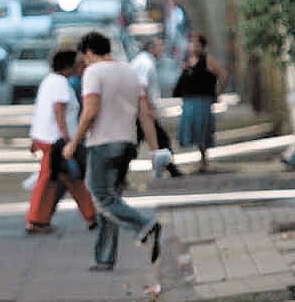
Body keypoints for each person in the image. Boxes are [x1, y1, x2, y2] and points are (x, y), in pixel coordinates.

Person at [63, 31, 163, 271]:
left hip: (102, 143)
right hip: (128, 143)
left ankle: (144, 225)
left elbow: (90, 111)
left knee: (100, 195)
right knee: (111, 199)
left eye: (83, 58)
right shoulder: (129, 71)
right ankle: (105, 257)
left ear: (88, 52)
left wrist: (74, 142)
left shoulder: (93, 73)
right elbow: (145, 114)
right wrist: (154, 149)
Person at [25, 49, 97, 234]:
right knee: (51, 181)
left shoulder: (50, 81)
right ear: (69, 66)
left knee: (70, 179)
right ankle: (35, 220)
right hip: (56, 141)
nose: (81, 66)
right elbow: (58, 111)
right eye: (78, 63)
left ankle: (90, 216)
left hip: (49, 138)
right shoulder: (60, 84)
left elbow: (42, 111)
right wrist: (67, 140)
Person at [173, 33, 228, 173]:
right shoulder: (188, 60)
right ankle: (200, 159)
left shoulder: (208, 60)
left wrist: (218, 92)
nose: (193, 46)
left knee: (203, 130)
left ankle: (204, 161)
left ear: (202, 46)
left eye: (196, 44)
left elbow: (223, 74)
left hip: (202, 100)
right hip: (189, 100)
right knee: (192, 130)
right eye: (191, 43)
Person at [131, 37, 181, 178]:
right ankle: (170, 169)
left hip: (140, 109)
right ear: (151, 48)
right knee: (161, 139)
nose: (162, 50)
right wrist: (148, 109)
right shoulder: (145, 62)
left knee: (153, 140)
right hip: (142, 110)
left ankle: (169, 168)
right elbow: (142, 87)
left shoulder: (144, 61)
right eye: (159, 46)